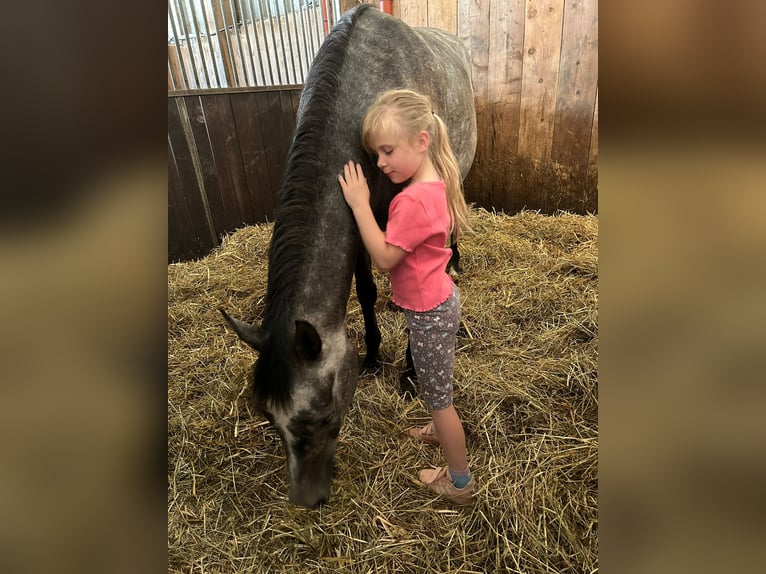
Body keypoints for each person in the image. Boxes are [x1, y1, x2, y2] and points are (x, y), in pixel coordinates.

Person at [338, 88, 475, 505]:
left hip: (431, 313)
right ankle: (437, 429)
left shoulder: (411, 202)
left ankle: (459, 483)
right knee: (438, 387)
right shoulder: (437, 183)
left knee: (440, 401)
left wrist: (361, 205)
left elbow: (382, 257)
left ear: (421, 140)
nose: (380, 164)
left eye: (387, 151)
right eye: (375, 154)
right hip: (437, 304)